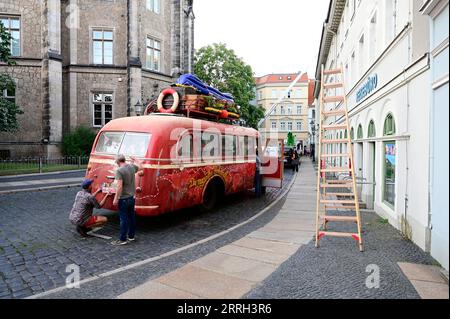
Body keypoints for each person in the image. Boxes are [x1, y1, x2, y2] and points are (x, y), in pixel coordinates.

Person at [111, 155, 143, 246]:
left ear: (118, 162)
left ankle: (122, 239)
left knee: (123, 219)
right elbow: (141, 167)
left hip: (123, 198)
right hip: (132, 197)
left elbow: (119, 186)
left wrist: (116, 198)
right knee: (131, 217)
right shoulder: (131, 167)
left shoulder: (119, 171)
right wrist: (136, 159)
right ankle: (131, 236)